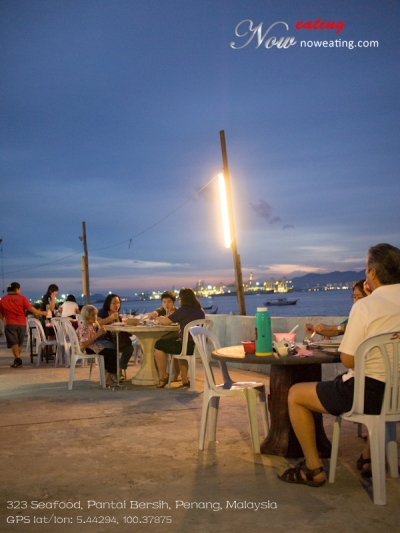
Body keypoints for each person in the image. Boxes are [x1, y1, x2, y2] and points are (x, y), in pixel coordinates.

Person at [278, 243, 400, 487]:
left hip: (369, 394)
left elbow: (348, 359)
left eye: (367, 270)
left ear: (373, 273)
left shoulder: (365, 306)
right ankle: (368, 458)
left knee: (295, 394)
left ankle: (313, 468)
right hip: (396, 394)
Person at [154, 287, 205, 388]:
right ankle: (185, 379)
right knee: (180, 343)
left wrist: (158, 318)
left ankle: (163, 376)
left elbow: (165, 322)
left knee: (158, 345)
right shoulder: (200, 311)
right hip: (198, 346)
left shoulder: (183, 310)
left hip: (186, 346)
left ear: (184, 299)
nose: (179, 300)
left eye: (180, 298)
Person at [0, 282, 47, 368]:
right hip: (21, 323)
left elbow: (0, 312)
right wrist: (41, 313)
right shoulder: (22, 298)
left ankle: (18, 359)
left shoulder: (3, 299)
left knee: (13, 342)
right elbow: (31, 309)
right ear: (17, 289)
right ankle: (17, 360)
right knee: (19, 343)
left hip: (9, 322)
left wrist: (3, 319)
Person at [304, 280, 369, 338]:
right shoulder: (354, 316)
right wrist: (314, 329)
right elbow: (336, 331)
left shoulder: (370, 315)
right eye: (354, 297)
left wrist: (330, 327)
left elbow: (349, 328)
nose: (356, 301)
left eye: (359, 297)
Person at [76, 305, 118, 387]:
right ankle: (108, 378)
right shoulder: (85, 327)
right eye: (92, 315)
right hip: (88, 349)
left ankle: (106, 377)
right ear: (86, 316)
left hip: (92, 347)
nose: (95, 317)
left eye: (96, 314)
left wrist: (100, 332)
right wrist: (97, 335)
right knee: (112, 353)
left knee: (108, 352)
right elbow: (82, 345)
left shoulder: (90, 324)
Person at [97, 294, 133, 381]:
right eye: (114, 303)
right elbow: (98, 323)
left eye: (118, 303)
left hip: (115, 339)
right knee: (113, 349)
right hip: (102, 339)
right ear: (108, 304)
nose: (117, 305)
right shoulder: (103, 312)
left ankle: (119, 371)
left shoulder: (118, 316)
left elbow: (119, 328)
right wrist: (110, 318)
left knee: (129, 348)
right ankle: (109, 375)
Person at [148, 291, 181, 381]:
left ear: (174, 302)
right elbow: (153, 314)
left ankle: (178, 373)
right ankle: (158, 373)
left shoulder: (177, 311)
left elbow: (179, 326)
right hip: (163, 335)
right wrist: (153, 315)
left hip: (175, 336)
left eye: (169, 302)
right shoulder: (161, 310)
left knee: (159, 345)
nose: (166, 304)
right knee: (151, 346)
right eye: (164, 302)